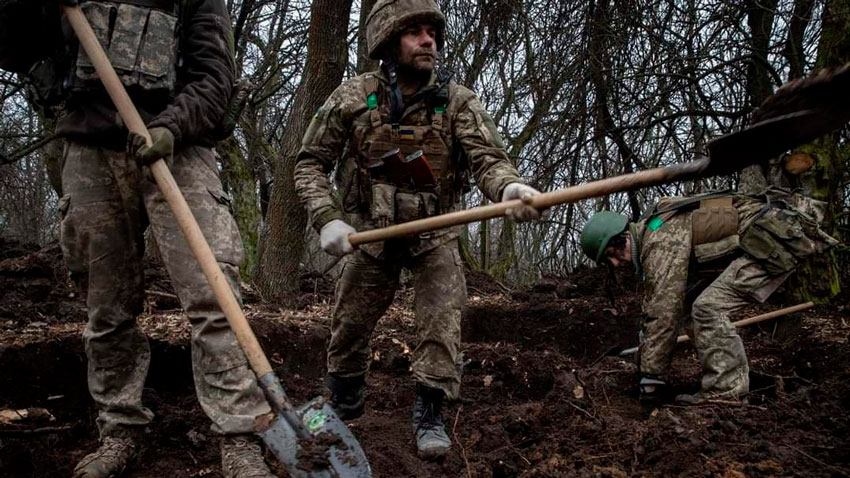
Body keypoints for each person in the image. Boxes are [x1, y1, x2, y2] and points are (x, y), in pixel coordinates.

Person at [3, 1, 276, 476]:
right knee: (105, 306)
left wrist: (172, 125)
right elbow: (10, 39)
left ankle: (239, 434)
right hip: (90, 149)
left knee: (215, 295)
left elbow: (215, 77)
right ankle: (120, 429)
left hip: (180, 148)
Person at [294, 0, 543, 460]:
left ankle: (430, 409)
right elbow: (310, 163)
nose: (428, 40)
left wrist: (508, 189)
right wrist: (326, 216)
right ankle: (343, 404)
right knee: (349, 324)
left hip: (436, 236)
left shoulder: (458, 101)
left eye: (432, 31)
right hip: (370, 234)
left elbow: (488, 159)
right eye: (415, 32)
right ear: (389, 43)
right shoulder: (353, 97)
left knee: (442, 319)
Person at [580, 188, 836, 404]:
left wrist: (650, 376)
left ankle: (726, 391)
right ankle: (728, 377)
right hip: (768, 237)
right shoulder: (655, 228)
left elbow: (664, 310)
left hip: (773, 239)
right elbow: (658, 306)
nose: (615, 264)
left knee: (707, 309)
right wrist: (646, 361)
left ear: (624, 238)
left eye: (612, 254)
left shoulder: (658, 240)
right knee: (694, 307)